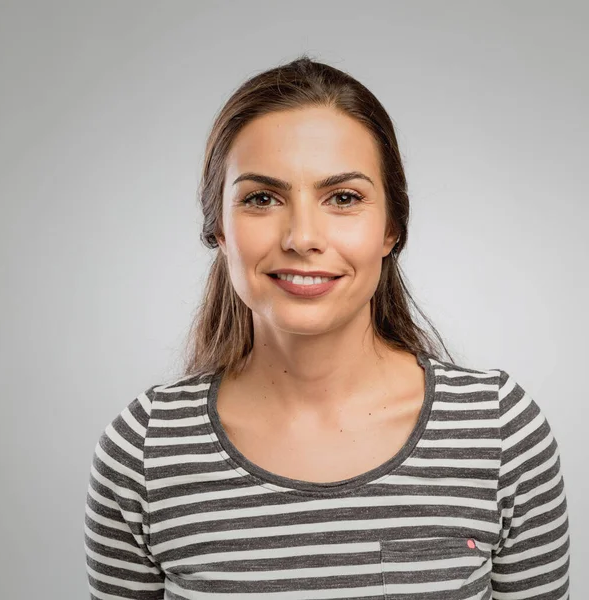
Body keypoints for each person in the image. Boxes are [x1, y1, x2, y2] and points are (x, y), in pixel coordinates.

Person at [84, 55, 570, 599]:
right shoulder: (145, 450)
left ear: (391, 229)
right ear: (219, 231)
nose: (302, 237)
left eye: (343, 198)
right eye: (262, 198)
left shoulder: (500, 432)